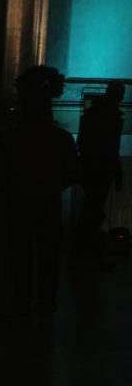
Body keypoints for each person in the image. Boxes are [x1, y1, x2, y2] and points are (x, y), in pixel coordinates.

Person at [0, 66, 80, 319]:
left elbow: (1, 173)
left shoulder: (11, 137)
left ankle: (22, 298)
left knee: (21, 254)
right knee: (48, 257)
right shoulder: (62, 138)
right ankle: (45, 301)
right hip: (48, 203)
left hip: (20, 203)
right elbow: (71, 174)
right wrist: (49, 187)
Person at [73, 80, 125, 269]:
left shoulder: (93, 114)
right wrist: (117, 173)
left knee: (92, 211)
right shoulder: (113, 117)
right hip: (101, 169)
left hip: (91, 168)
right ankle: (88, 255)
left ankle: (83, 254)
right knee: (94, 212)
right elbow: (112, 148)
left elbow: (84, 142)